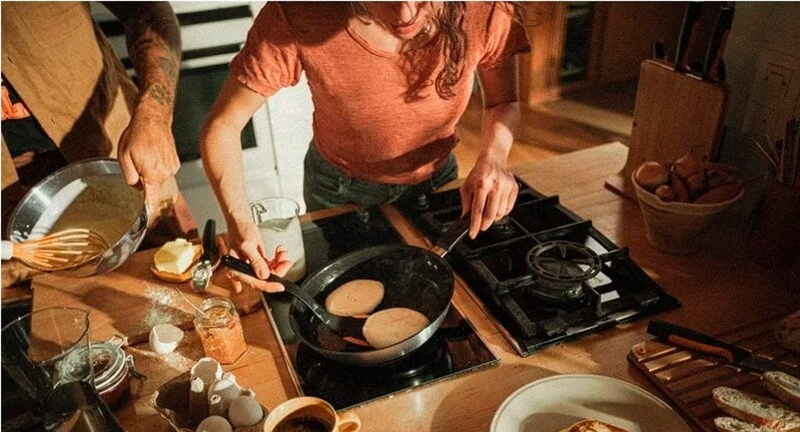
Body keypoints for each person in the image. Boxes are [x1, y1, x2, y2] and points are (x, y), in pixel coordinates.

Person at [200, 1, 530, 293]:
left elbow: (503, 101)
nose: (405, 13)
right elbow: (222, 127)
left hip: (438, 182)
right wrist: (239, 222)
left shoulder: (485, 8)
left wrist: (494, 157)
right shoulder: (301, 11)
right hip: (339, 191)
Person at [1, 1, 198, 288]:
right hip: (9, 208)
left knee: (180, 283)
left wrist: (155, 114)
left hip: (120, 165)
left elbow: (147, 10)